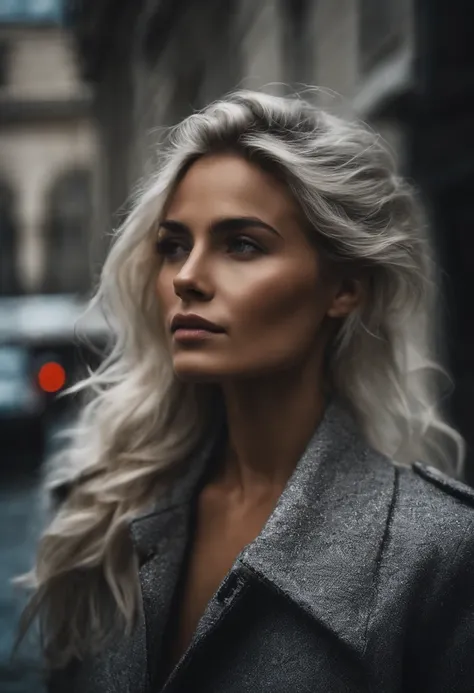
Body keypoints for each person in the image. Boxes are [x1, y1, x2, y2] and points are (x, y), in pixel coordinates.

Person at [16, 90, 474, 692]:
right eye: (174, 245)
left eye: (242, 244)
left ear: (344, 288)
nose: (187, 277)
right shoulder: (104, 516)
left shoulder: (439, 553)